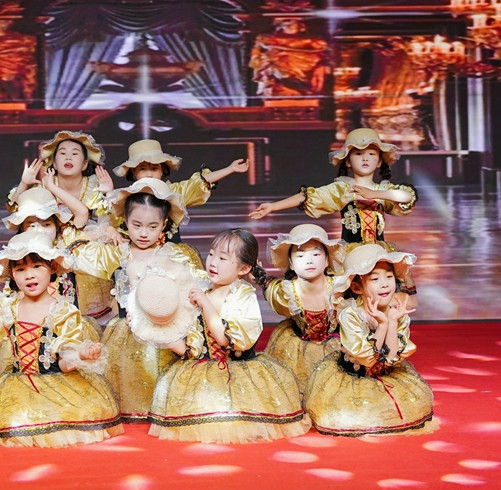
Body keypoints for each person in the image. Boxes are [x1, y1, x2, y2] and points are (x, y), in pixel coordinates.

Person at [0, 230, 124, 447]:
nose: (29, 275)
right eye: (20, 269)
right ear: (12, 275)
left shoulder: (62, 311)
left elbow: (63, 364)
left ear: (52, 267)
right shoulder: (9, 309)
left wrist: (81, 356)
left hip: (56, 386)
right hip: (20, 386)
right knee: (14, 421)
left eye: (37, 266)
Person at [148, 229, 310, 443]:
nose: (213, 262)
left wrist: (205, 303)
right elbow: (191, 348)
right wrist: (156, 330)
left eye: (223, 258)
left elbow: (223, 339)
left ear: (244, 268)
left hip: (237, 373)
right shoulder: (203, 292)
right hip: (204, 373)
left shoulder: (241, 295)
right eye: (211, 254)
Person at [70, 178, 206, 421]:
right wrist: (104, 230)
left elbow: (194, 291)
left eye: (152, 226)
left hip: (167, 334)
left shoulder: (175, 254)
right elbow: (75, 251)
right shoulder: (118, 253)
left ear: (164, 224)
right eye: (137, 225)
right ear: (125, 220)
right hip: (127, 334)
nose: (144, 233)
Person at [249, 128, 418, 299]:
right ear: (348, 161)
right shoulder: (342, 189)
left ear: (380, 161)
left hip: (379, 253)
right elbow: (308, 197)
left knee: (382, 293)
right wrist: (273, 206)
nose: (365, 158)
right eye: (358, 153)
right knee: (352, 298)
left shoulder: (384, 190)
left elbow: (407, 196)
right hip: (351, 254)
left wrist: (374, 194)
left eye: (371, 154)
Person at [303, 244, 436, 436]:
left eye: (389, 277)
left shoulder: (396, 312)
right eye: (375, 279)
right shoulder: (350, 314)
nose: (385, 284)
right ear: (357, 287)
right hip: (356, 376)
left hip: (386, 373)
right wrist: (381, 326)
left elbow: (391, 358)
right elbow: (367, 359)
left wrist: (391, 322)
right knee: (353, 414)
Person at [8, 130, 119, 323]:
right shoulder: (44, 185)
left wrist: (109, 198)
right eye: (63, 153)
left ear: (84, 164)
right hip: (52, 239)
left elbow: (103, 217)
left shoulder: (94, 185)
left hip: (83, 238)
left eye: (75, 153)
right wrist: (24, 184)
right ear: (54, 162)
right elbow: (17, 209)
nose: (68, 157)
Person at [0, 184, 101, 377]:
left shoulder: (64, 255)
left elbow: (82, 214)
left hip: (64, 330)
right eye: (31, 225)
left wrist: (52, 186)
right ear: (22, 229)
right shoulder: (17, 262)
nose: (39, 230)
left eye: (46, 224)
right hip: (28, 337)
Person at [112, 138, 249, 259]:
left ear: (162, 170)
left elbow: (197, 184)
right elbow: (109, 220)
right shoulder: (125, 197)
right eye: (143, 169)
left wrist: (230, 169)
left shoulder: (173, 192)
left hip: (170, 258)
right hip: (135, 258)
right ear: (133, 172)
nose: (149, 174)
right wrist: (110, 230)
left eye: (154, 168)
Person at [262, 223, 346, 394]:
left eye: (316, 254)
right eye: (300, 255)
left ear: (327, 260)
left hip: (335, 349)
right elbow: (269, 287)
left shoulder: (340, 287)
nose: (309, 261)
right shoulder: (287, 291)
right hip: (297, 350)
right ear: (291, 264)